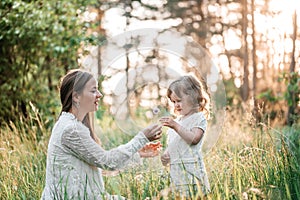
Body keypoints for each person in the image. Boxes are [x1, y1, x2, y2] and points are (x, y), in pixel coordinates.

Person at [41, 69, 162, 200]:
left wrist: (138, 154)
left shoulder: (70, 125)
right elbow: (107, 162)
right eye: (93, 91)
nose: (99, 95)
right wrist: (142, 138)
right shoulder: (71, 129)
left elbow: (102, 168)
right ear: (76, 96)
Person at [159, 75, 211, 199]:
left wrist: (175, 126)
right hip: (176, 173)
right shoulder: (178, 121)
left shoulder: (198, 118)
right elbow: (174, 144)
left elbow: (194, 139)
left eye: (179, 100)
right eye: (173, 102)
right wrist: (166, 154)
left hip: (192, 172)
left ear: (193, 97)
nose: (176, 105)